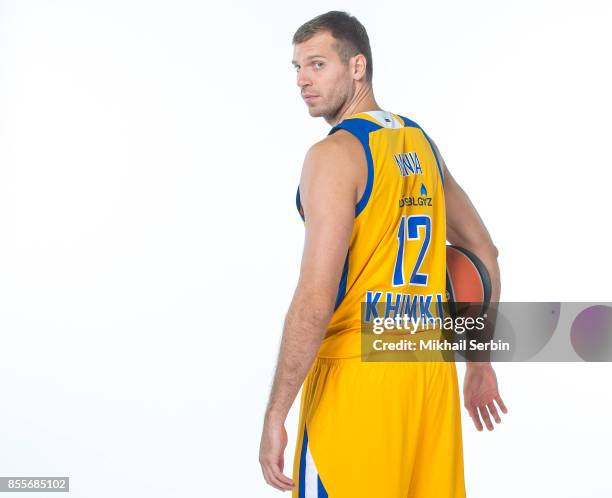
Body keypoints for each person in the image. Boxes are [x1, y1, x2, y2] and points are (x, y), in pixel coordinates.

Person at [259, 10, 507, 498]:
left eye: (317, 64)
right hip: (428, 373)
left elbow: (315, 296)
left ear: (357, 67)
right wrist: (477, 359)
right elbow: (483, 249)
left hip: (359, 379)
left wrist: (276, 412)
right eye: (297, 68)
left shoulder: (332, 156)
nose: (303, 81)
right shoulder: (420, 143)